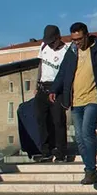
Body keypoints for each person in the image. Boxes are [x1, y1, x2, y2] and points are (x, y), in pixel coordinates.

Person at [49, 22, 97, 185]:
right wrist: (54, 89)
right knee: (79, 137)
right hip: (75, 100)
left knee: (87, 132)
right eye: (73, 39)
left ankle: (90, 170)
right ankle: (91, 170)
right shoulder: (71, 52)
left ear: (87, 35)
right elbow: (62, 73)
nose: (77, 42)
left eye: (79, 38)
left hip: (94, 99)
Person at [35, 25, 69, 162]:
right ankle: (45, 151)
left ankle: (61, 151)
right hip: (43, 86)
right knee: (41, 120)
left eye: (52, 42)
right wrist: (37, 84)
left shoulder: (66, 51)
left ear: (58, 38)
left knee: (58, 121)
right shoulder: (44, 47)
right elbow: (40, 65)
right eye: (48, 42)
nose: (50, 45)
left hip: (57, 87)